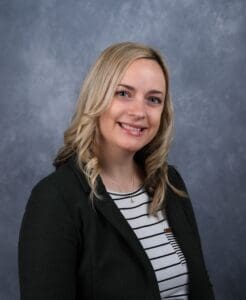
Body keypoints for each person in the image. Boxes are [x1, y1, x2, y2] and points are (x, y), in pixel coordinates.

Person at [18, 42, 214, 300]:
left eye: (153, 99)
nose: (139, 112)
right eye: (123, 93)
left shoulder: (169, 183)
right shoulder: (55, 199)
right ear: (97, 96)